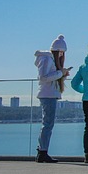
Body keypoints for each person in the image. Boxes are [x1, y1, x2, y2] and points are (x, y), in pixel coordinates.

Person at [34, 35, 71, 163]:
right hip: (47, 95)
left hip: (49, 94)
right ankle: (42, 151)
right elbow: (43, 77)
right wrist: (61, 73)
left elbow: (49, 78)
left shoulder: (49, 60)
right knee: (47, 124)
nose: (62, 55)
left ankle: (43, 151)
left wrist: (63, 74)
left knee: (48, 123)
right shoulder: (47, 59)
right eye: (61, 52)